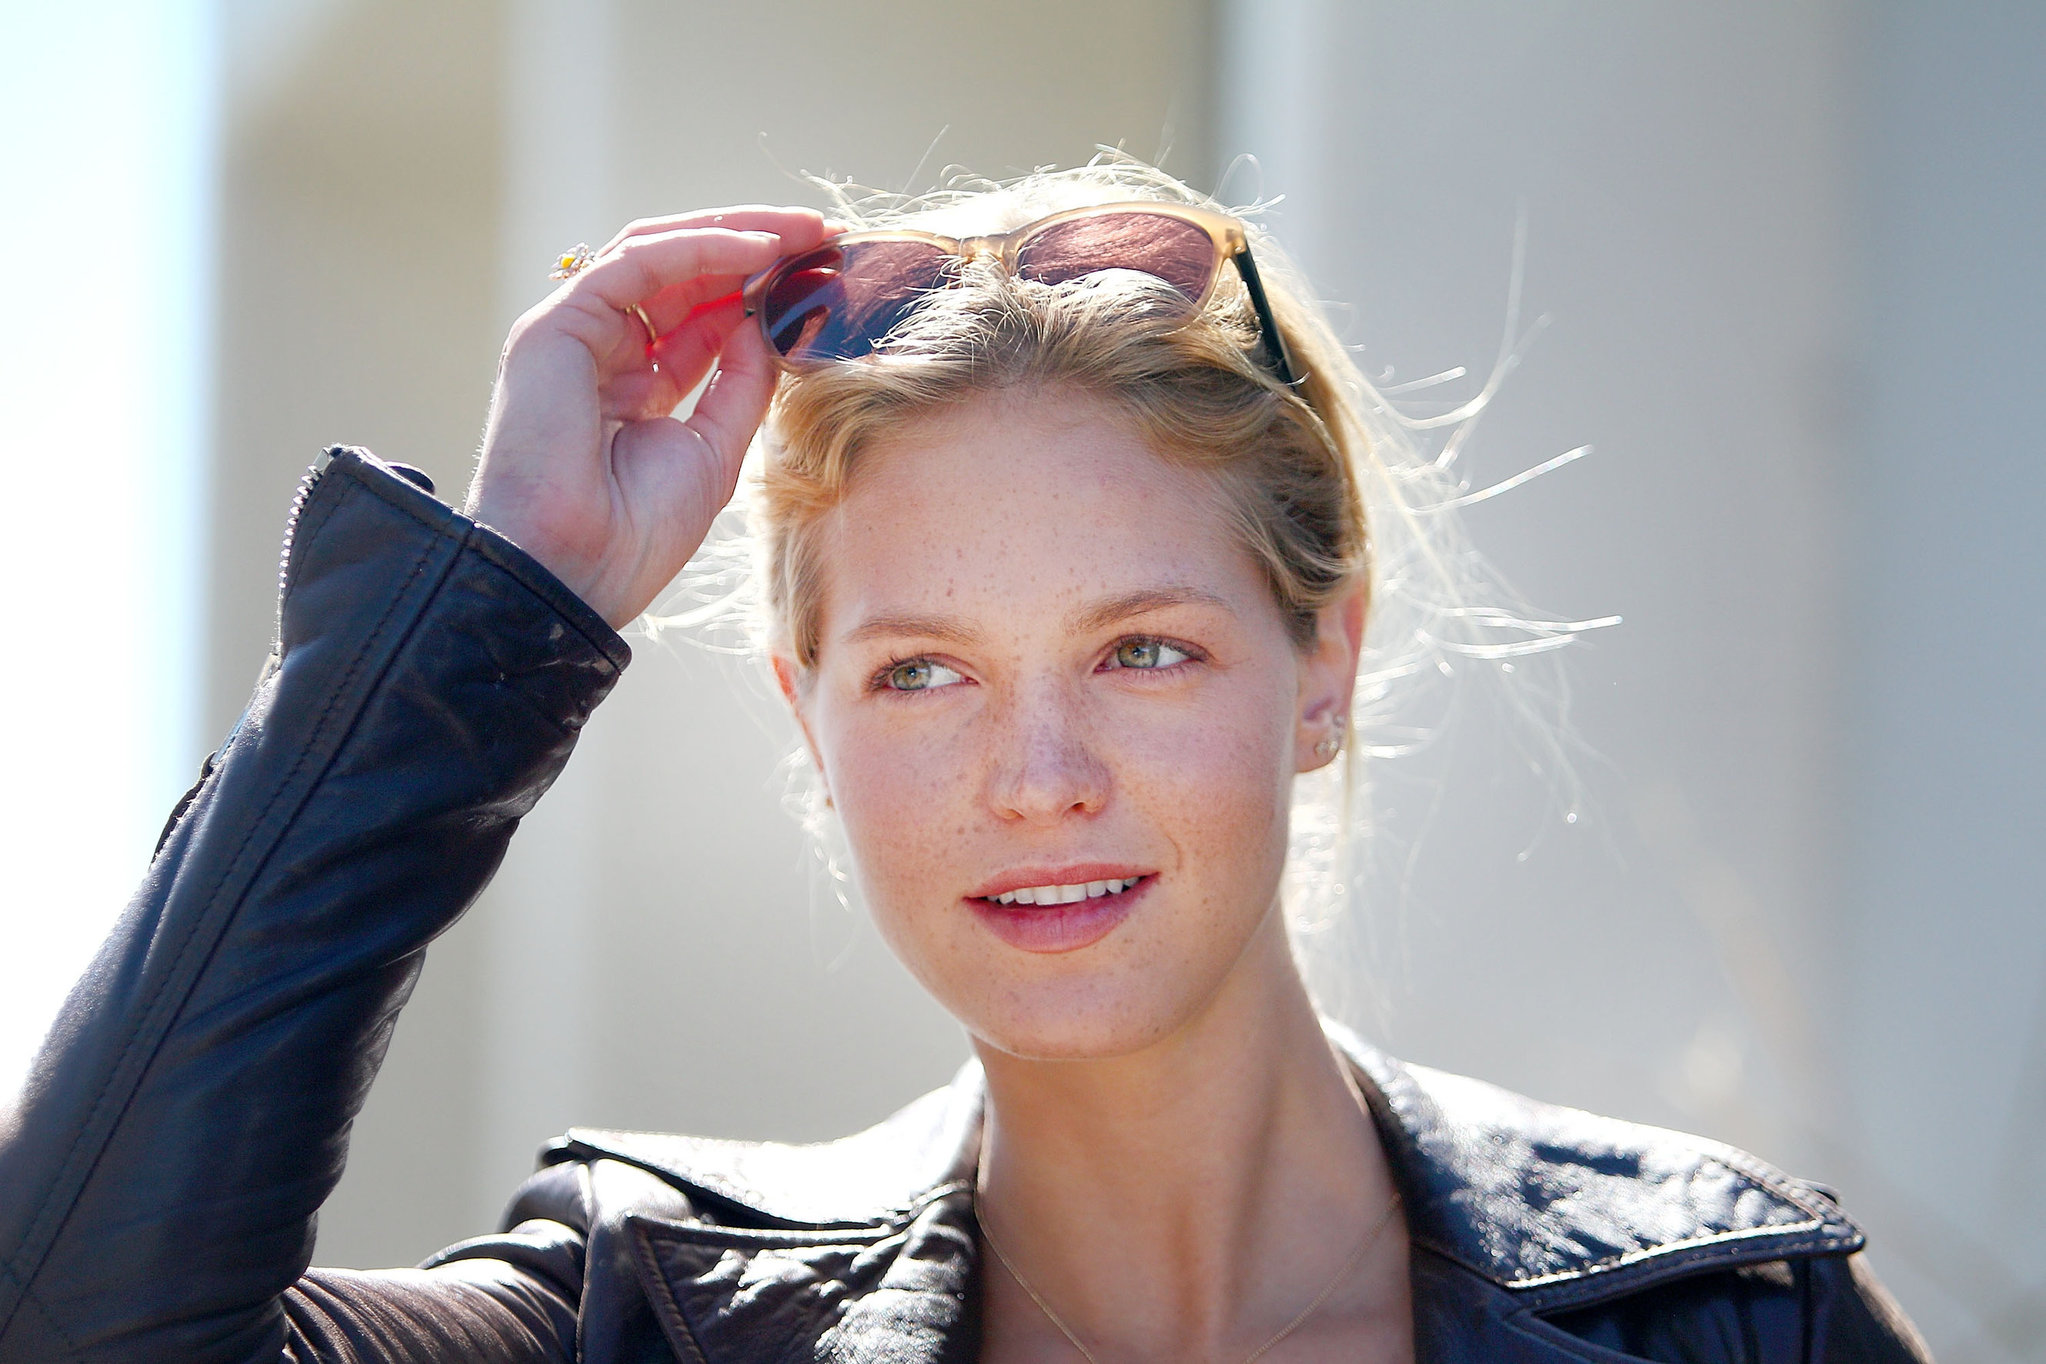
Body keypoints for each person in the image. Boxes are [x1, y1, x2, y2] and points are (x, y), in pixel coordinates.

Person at [0, 162, 1929, 1364]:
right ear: (807, 721)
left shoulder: (1726, 1319)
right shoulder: (648, 1318)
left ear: (1321, 661)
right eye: (921, 674)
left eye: (1143, 649)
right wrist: (493, 612)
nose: (1037, 773)